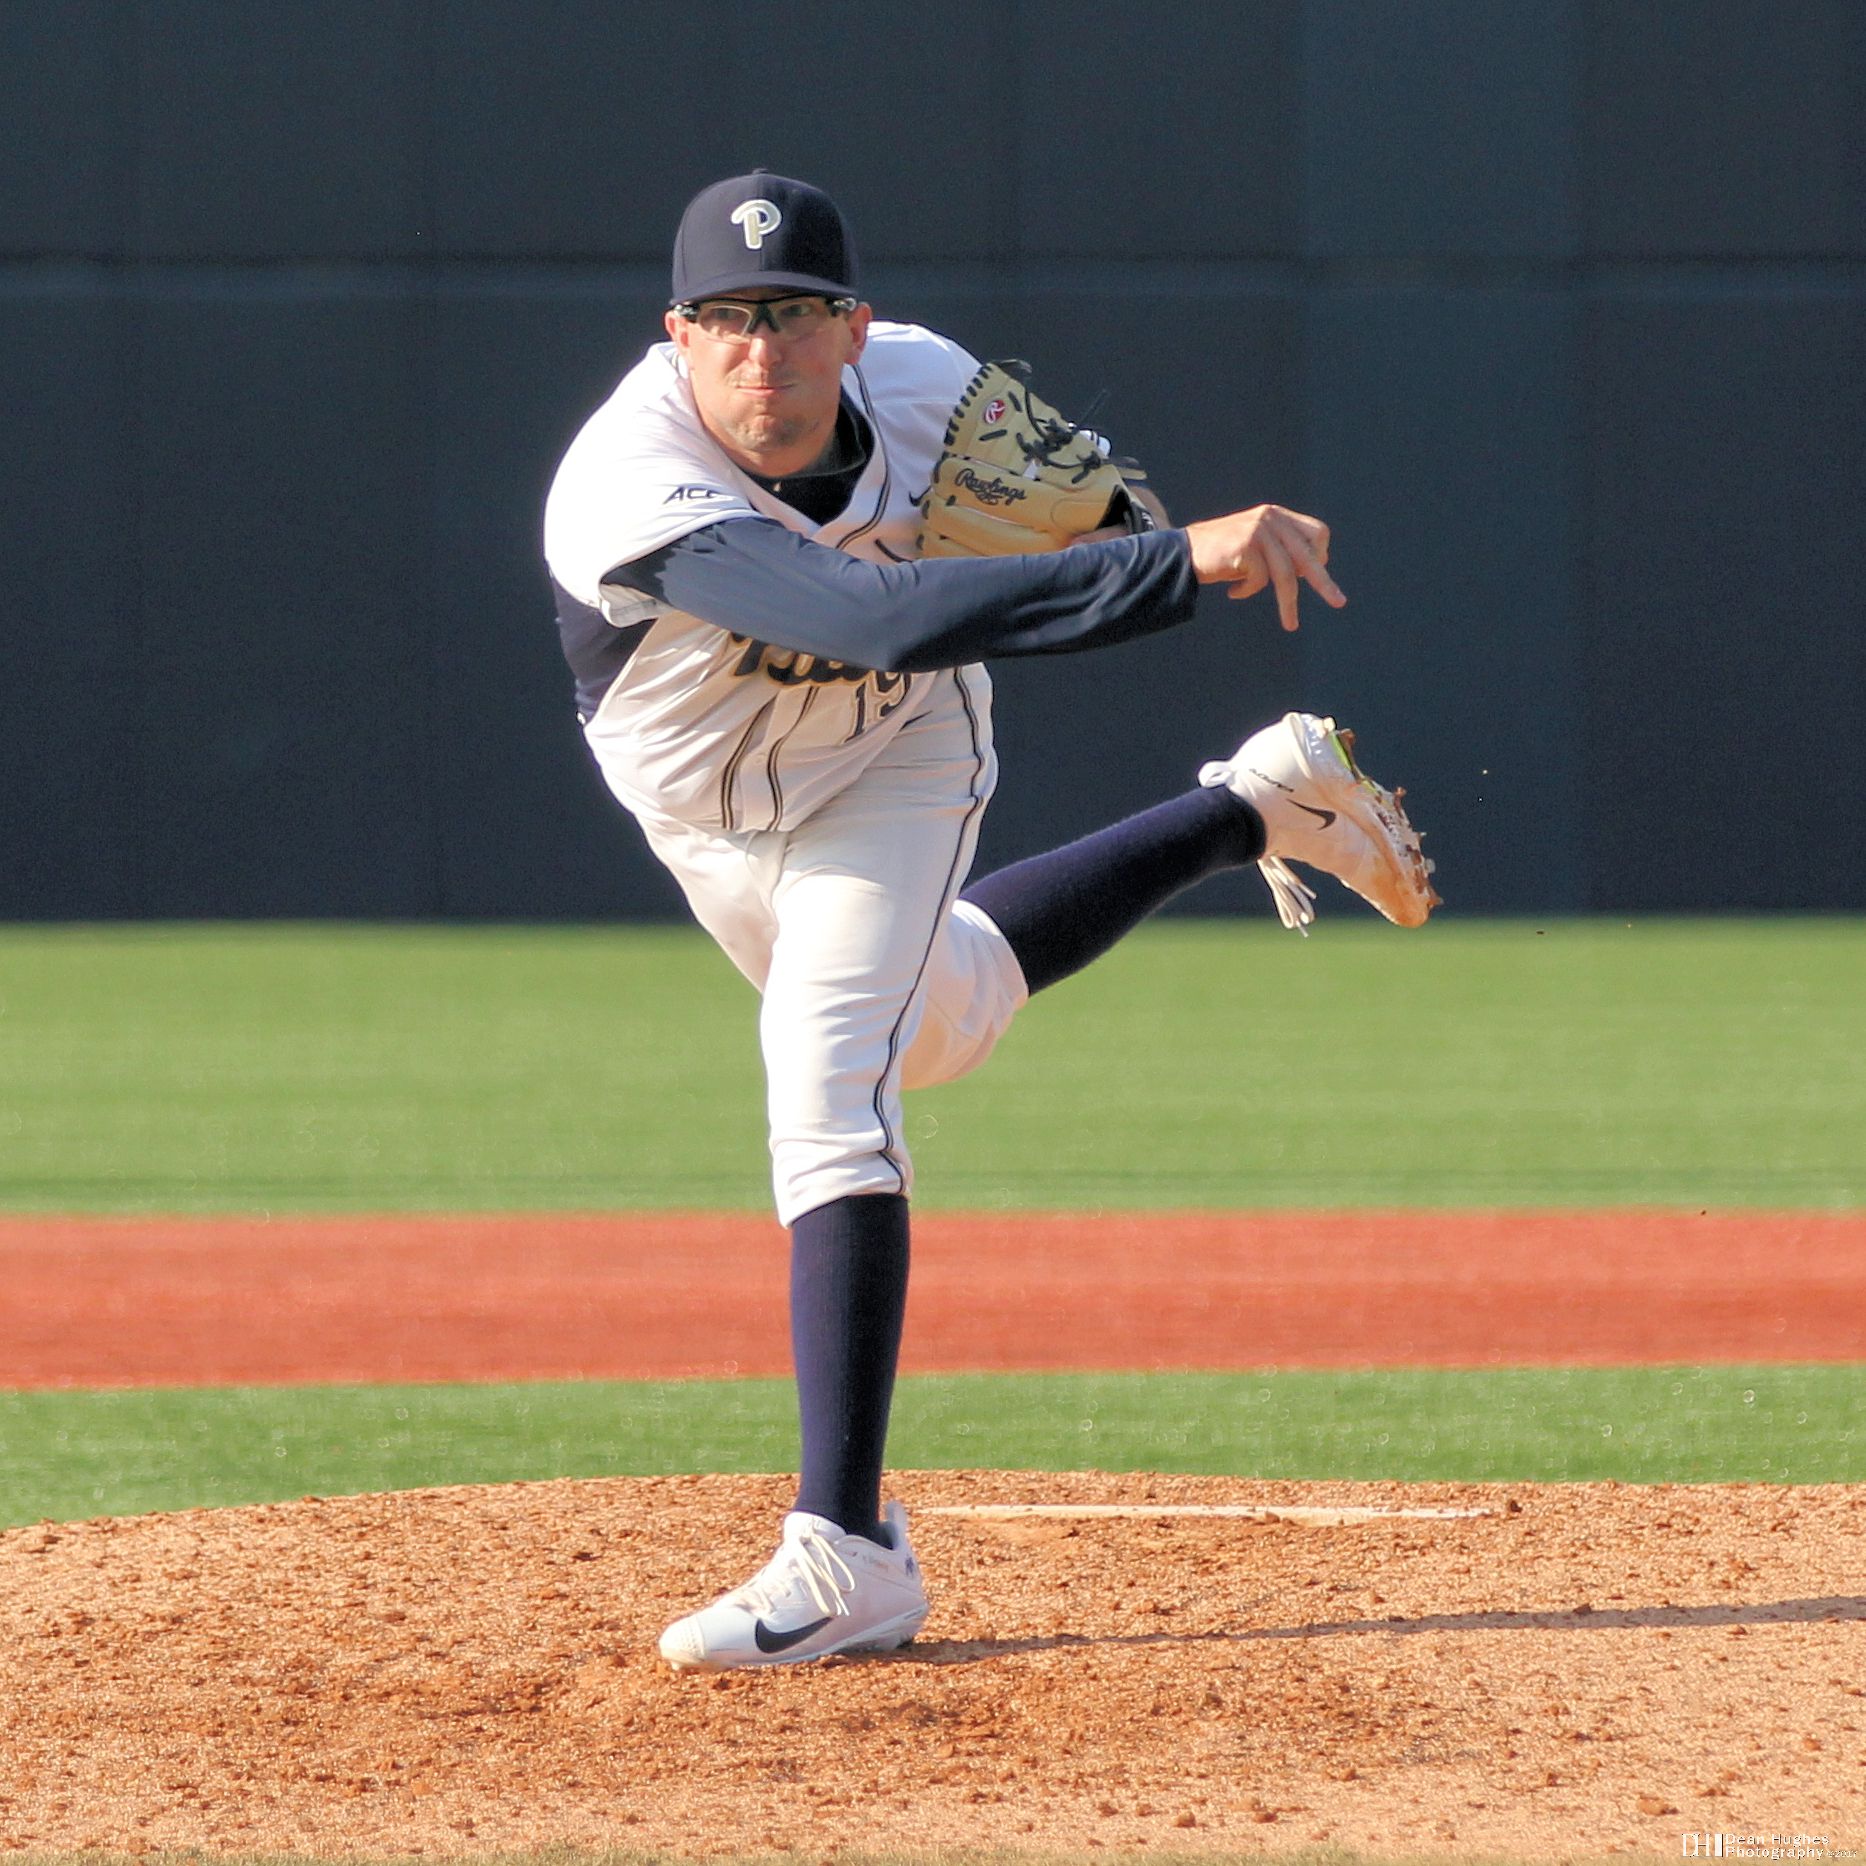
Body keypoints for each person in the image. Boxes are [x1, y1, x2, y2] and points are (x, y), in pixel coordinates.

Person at [543, 171, 1436, 1673]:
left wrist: (1136, 529)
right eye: (730, 318)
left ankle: (844, 1550)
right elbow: (871, 614)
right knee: (938, 1020)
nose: (763, 350)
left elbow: (1094, 519)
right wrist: (1171, 560)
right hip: (705, 808)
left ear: (855, 327)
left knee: (832, 1077)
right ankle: (1256, 807)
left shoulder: (928, 391)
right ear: (678, 334)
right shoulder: (629, 477)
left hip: (895, 755)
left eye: (797, 315)